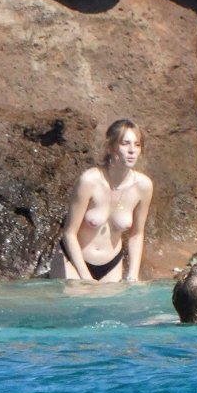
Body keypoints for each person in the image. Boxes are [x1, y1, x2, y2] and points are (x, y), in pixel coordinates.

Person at [49, 119, 153, 282]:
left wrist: (133, 276)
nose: (132, 150)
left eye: (137, 144)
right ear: (110, 147)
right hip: (73, 261)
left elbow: (137, 234)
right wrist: (86, 278)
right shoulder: (89, 181)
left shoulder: (143, 186)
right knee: (77, 294)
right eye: (125, 143)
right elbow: (69, 233)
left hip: (111, 265)